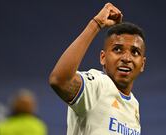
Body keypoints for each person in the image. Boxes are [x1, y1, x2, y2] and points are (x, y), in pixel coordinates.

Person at [49, 2, 146, 135]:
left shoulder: (134, 105)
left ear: (142, 64)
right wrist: (96, 24)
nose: (126, 58)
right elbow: (59, 80)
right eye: (117, 49)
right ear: (103, 58)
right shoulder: (97, 85)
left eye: (135, 52)